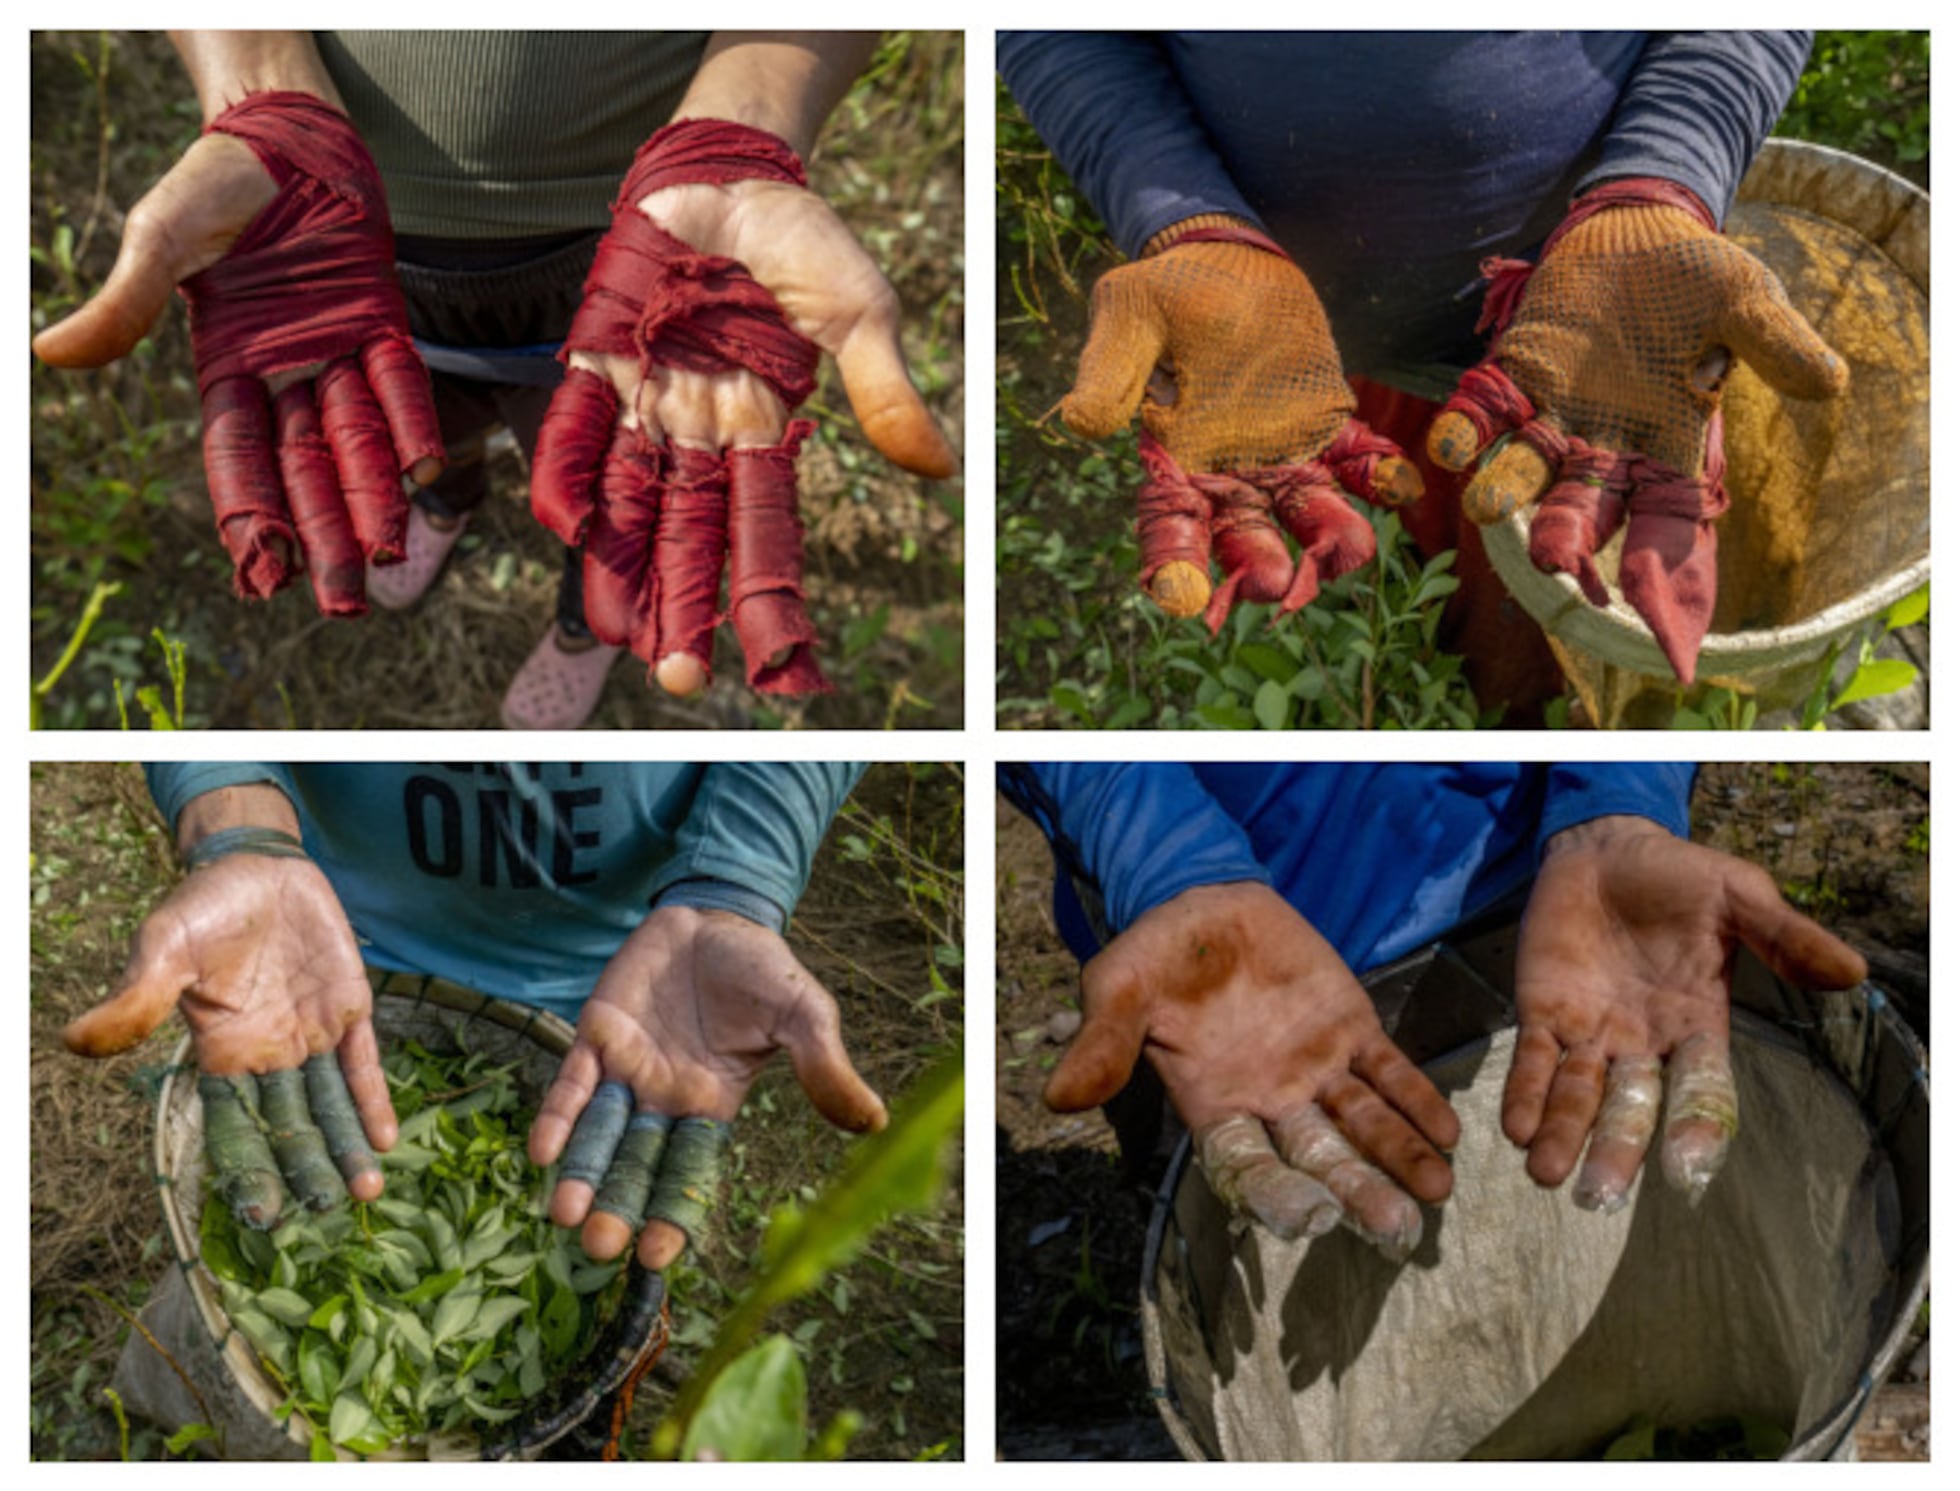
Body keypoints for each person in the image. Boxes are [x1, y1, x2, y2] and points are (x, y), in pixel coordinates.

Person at [33, 32, 957, 728]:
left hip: (638, 252)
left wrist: (741, 128)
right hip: (342, 248)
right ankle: (448, 503)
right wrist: (270, 91)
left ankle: (573, 625)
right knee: (412, 432)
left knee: (609, 490)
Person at [998, 33, 1845, 716]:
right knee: (1380, 603)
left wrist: (1664, 178)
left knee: (1575, 645)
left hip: (1601, 335)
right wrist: (1188, 224)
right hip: (1276, 354)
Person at [999, 763, 1867, 1258]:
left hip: (1528, 903)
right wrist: (1170, 862)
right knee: (1245, 1230)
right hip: (1202, 992)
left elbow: (1611, 617)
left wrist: (1613, 802)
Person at [62, 763, 888, 1272]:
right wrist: (237, 831)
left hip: (632, 999)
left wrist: (737, 880)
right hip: (330, 962)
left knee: (601, 1230)